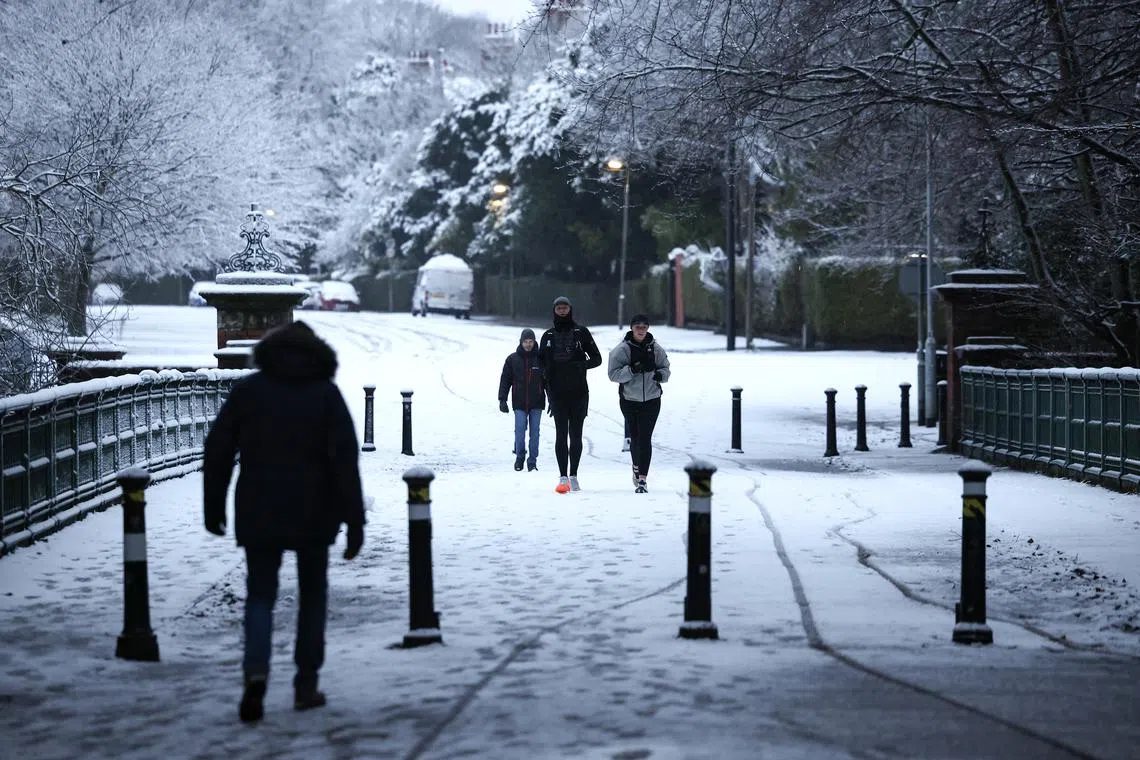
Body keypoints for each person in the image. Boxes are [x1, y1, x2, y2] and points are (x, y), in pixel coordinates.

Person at [203, 320, 366, 724]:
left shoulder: (248, 392)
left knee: (260, 593)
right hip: (316, 509)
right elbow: (345, 459)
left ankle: (255, 672)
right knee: (312, 594)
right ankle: (306, 682)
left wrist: (214, 505)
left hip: (259, 506)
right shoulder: (326, 395)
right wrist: (354, 520)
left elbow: (218, 449)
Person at [538, 296, 603, 493]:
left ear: (570, 309)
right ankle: (562, 475)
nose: (562, 311)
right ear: (554, 311)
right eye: (559, 308)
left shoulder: (581, 332)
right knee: (560, 434)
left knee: (576, 435)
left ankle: (574, 475)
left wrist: (580, 365)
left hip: (579, 392)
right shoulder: (547, 335)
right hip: (557, 393)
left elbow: (597, 358)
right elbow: (540, 364)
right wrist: (545, 382)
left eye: (565, 307)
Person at [607, 313, 671, 493]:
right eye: (638, 327)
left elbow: (666, 369)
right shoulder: (622, 350)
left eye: (644, 326)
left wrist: (660, 376)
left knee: (645, 438)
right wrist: (632, 370)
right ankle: (636, 467)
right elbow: (613, 374)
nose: (641, 330)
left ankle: (642, 478)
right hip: (629, 400)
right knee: (635, 437)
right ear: (632, 328)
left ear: (648, 328)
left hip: (652, 399)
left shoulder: (656, 349)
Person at [498, 328, 545, 471]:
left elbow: (548, 381)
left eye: (531, 341)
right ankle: (520, 456)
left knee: (534, 432)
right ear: (521, 342)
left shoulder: (541, 359)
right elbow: (505, 380)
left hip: (536, 402)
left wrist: (553, 401)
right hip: (519, 402)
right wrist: (502, 399)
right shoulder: (512, 359)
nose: (528, 344)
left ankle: (532, 460)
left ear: (534, 342)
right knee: (519, 430)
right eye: (525, 341)